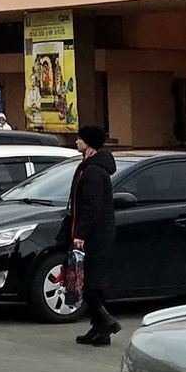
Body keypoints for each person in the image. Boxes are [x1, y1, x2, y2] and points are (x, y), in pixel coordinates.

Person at [60, 124, 120, 347]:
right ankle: (100, 331)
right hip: (95, 233)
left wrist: (81, 234)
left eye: (80, 139)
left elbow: (92, 207)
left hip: (96, 235)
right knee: (92, 282)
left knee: (88, 283)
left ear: (89, 144)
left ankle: (107, 322)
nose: (76, 142)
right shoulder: (90, 167)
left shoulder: (93, 171)